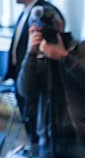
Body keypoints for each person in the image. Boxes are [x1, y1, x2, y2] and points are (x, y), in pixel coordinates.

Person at [16, 7, 85, 158]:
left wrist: (63, 57)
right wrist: (31, 54)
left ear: (61, 25)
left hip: (82, 138)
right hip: (49, 142)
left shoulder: (83, 49)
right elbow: (25, 91)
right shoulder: (37, 56)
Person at [4, 0, 63, 148]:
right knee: (28, 121)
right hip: (20, 76)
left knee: (35, 125)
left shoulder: (44, 12)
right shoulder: (24, 13)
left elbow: (55, 36)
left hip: (35, 81)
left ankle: (37, 153)